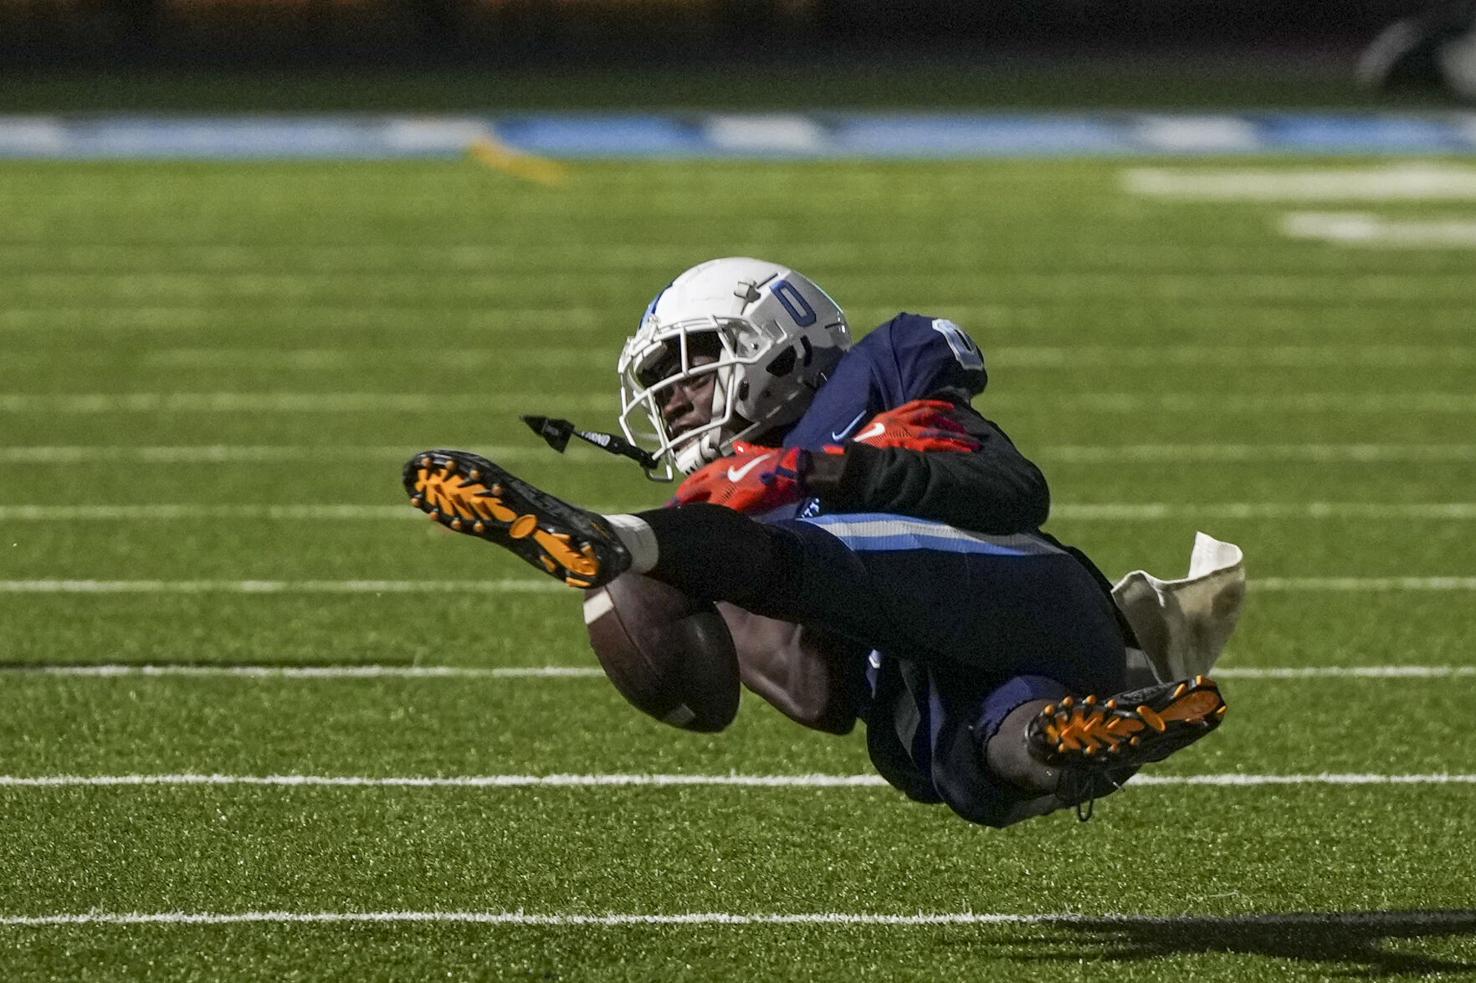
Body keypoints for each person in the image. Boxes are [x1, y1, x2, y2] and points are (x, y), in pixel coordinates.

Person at [405, 257, 1233, 827]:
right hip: (953, 674)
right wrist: (700, 614)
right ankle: (1067, 737)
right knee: (948, 764)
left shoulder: (880, 376)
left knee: (802, 552)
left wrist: (826, 469)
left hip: (1022, 596)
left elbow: (1014, 491)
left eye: (692, 366)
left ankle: (614, 538)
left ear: (781, 342)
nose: (677, 402)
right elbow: (820, 697)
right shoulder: (725, 504)